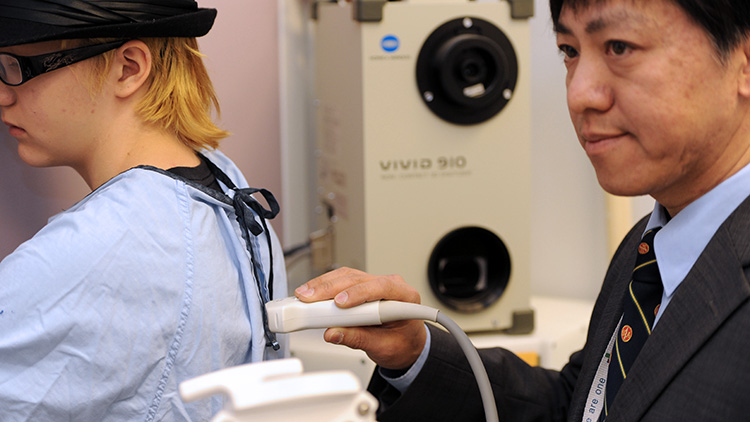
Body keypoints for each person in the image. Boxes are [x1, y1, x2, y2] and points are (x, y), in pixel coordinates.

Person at [295, 0, 750, 420]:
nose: (579, 95)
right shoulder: (651, 246)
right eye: (569, 51)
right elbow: (581, 404)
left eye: (619, 47)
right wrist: (416, 353)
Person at [0, 1, 287, 421]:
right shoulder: (229, 188)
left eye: (18, 66)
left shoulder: (92, 252)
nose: (3, 93)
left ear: (129, 68)